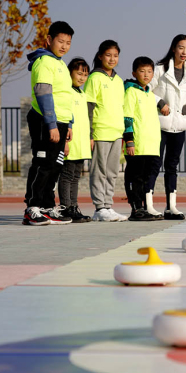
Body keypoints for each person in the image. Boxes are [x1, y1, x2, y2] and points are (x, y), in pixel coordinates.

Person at [147, 34, 186, 220]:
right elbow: (146, 88)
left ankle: (171, 207)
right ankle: (148, 205)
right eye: (181, 47)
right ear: (174, 48)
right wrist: (160, 102)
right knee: (154, 165)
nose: (184, 52)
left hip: (179, 126)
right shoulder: (160, 69)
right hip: (160, 124)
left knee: (172, 166)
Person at [23, 21, 74, 226]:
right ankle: (32, 208)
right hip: (45, 120)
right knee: (43, 164)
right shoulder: (44, 61)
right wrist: (51, 124)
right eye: (60, 41)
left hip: (60, 121)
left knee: (55, 166)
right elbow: (43, 93)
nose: (64, 46)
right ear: (49, 40)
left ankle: (46, 207)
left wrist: (68, 123)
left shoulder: (60, 63)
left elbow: (65, 95)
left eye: (68, 42)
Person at [85, 40, 128, 222]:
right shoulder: (94, 78)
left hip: (116, 133)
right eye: (108, 55)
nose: (112, 59)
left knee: (112, 171)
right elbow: (88, 106)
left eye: (115, 55)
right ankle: (99, 207)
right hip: (100, 132)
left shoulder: (118, 80)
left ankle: (108, 206)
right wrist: (89, 134)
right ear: (100, 56)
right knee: (99, 171)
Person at [122, 57, 162, 221]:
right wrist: (130, 141)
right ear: (134, 73)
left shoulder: (150, 95)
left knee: (147, 178)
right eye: (142, 71)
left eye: (149, 71)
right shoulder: (131, 92)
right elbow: (127, 118)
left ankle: (145, 207)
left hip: (151, 146)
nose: (146, 75)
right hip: (137, 145)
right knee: (135, 177)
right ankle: (136, 208)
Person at [57, 57, 92, 223]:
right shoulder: (67, 92)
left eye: (85, 75)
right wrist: (64, 141)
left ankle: (74, 206)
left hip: (81, 143)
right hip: (71, 143)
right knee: (67, 175)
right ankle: (66, 207)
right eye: (78, 73)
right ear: (69, 73)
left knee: (76, 176)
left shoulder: (82, 93)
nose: (82, 78)